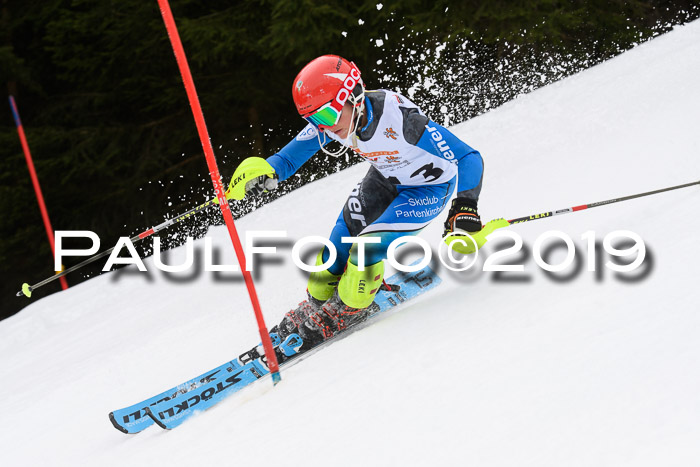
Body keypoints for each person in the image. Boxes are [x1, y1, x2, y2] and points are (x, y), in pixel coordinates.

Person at [229, 55, 485, 350]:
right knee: (337, 242)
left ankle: (351, 307)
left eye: (324, 117)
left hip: (427, 190)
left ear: (352, 96)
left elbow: (468, 156)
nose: (322, 127)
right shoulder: (336, 118)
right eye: (312, 120)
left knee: (365, 247)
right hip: (386, 179)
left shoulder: (402, 122)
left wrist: (465, 206)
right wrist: (266, 172)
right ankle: (319, 302)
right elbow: (287, 159)